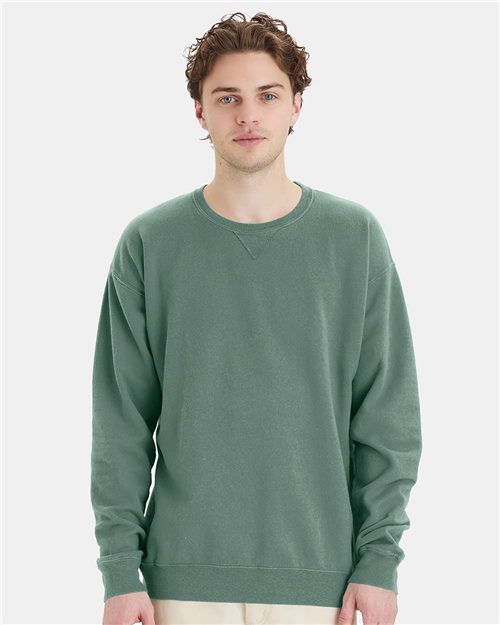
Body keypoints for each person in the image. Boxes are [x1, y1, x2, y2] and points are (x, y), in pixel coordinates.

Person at [90, 11, 423, 625]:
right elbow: (121, 425)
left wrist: (379, 562)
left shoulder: (354, 239)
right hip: (175, 584)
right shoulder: (150, 244)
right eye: (228, 98)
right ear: (200, 112)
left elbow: (387, 416)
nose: (248, 115)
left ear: (296, 105)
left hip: (322, 582)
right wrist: (119, 571)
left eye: (267, 95)